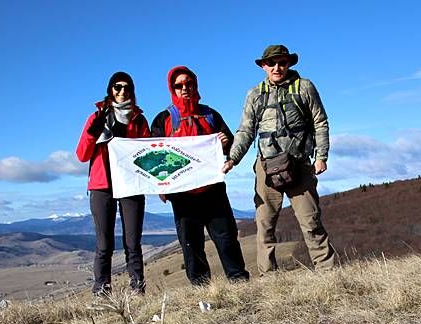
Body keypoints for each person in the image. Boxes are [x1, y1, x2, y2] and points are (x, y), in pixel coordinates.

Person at [223, 45, 336, 274]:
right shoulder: (254, 94)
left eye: (282, 62)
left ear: (289, 64)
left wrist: (321, 156)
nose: (277, 67)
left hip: (300, 164)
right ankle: (268, 278)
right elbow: (245, 131)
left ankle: (328, 274)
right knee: (264, 224)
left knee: (311, 221)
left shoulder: (304, 87)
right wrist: (232, 159)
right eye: (272, 63)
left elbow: (320, 122)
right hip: (267, 166)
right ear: (263, 66)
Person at [150, 66, 249, 285]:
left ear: (195, 85)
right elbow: (155, 156)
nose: (184, 88)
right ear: (172, 88)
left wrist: (225, 144)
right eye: (179, 85)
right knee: (191, 244)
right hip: (182, 195)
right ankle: (202, 290)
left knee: (226, 239)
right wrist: (161, 186)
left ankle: (239, 282)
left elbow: (230, 145)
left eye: (188, 84)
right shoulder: (163, 119)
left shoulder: (210, 114)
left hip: (213, 190)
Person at [76, 71, 150, 295]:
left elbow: (147, 152)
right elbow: (82, 155)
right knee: (104, 243)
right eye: (117, 87)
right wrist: (92, 133)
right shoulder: (97, 117)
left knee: (132, 242)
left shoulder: (139, 119)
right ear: (110, 90)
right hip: (102, 185)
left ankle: (138, 289)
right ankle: (102, 291)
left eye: (127, 87)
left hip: (130, 184)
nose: (122, 91)